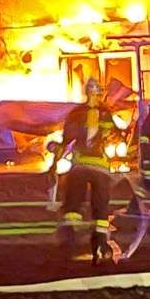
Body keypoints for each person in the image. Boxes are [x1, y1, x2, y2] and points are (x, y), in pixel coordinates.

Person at [55, 76, 119, 264]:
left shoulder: (76, 113)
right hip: (100, 167)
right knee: (100, 208)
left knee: (73, 203)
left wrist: (55, 160)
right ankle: (100, 244)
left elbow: (67, 139)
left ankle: (69, 239)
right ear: (98, 93)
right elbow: (114, 136)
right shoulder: (106, 113)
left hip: (80, 166)